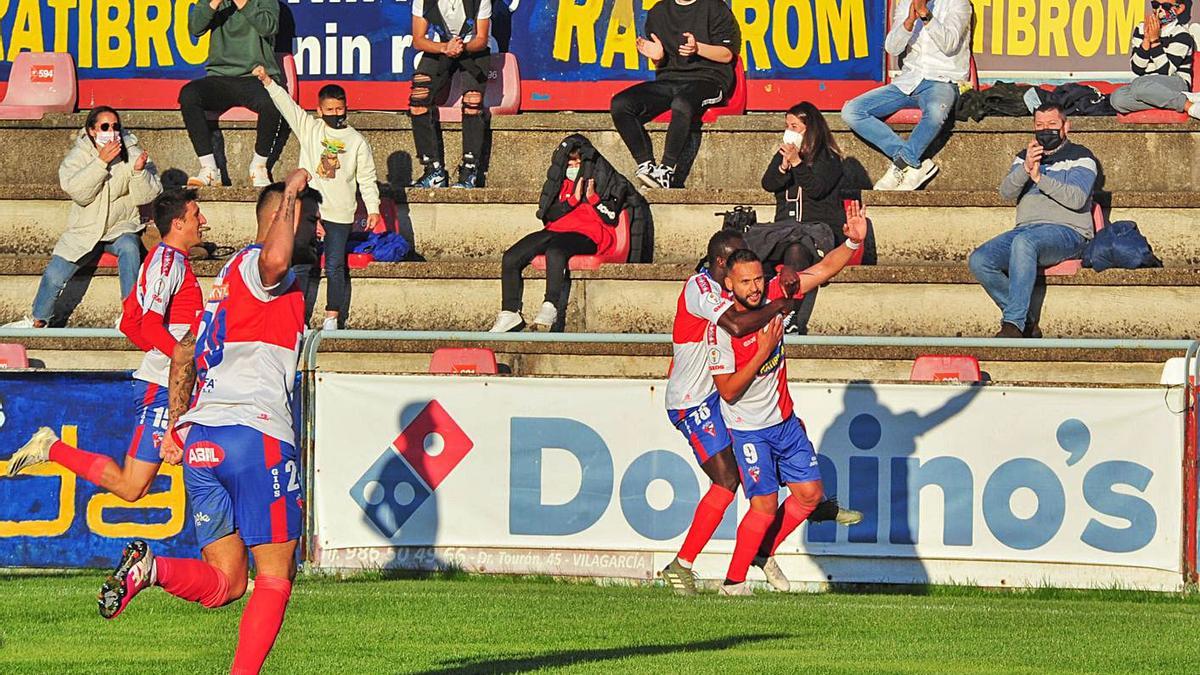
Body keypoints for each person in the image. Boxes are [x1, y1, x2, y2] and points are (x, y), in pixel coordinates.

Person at [96, 172, 309, 674]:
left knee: (228, 582)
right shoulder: (261, 268)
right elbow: (277, 257)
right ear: (287, 218)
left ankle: (152, 569)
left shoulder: (224, 279)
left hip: (203, 442)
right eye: (309, 222)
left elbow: (185, 352)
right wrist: (293, 192)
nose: (314, 233)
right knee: (275, 577)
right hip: (255, 435)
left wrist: (174, 425)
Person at [658, 226, 865, 596]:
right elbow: (737, 326)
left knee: (765, 488)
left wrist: (850, 243)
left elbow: (817, 273)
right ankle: (683, 565)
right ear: (723, 264)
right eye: (739, 259)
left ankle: (799, 509)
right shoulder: (701, 290)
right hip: (695, 399)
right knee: (728, 482)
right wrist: (782, 306)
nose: (751, 275)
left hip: (728, 400)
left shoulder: (748, 288)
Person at [3, 189, 206, 502]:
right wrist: (178, 359)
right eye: (195, 215)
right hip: (164, 385)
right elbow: (150, 325)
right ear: (178, 224)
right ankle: (50, 447)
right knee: (132, 487)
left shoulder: (171, 261)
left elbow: (130, 323)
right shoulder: (167, 263)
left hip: (174, 380)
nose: (203, 221)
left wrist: (170, 358)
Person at [5, 106, 160, 329]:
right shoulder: (78, 156)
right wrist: (101, 163)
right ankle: (40, 318)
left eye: (115, 126)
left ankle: (132, 314)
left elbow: (148, 195)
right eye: (104, 126)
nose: (111, 131)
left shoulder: (134, 152)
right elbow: (79, 193)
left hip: (120, 226)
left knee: (129, 248)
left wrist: (138, 172)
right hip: (85, 231)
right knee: (55, 274)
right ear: (92, 130)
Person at [253, 66, 381, 330]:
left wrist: (373, 209)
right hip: (308, 211)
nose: (335, 114)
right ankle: (296, 316)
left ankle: (332, 317)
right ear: (319, 110)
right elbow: (287, 105)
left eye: (340, 109)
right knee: (300, 265)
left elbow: (366, 178)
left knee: (335, 265)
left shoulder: (356, 141)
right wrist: (267, 81)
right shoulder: (310, 129)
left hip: (341, 213)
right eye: (330, 110)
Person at [968, 103, 1098, 339]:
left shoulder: (1082, 156)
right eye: (1040, 125)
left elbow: (1077, 198)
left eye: (1052, 124)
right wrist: (1026, 168)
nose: (1045, 129)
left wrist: (1039, 179)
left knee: (1024, 243)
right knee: (980, 259)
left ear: (1065, 126)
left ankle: (1013, 324)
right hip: (1026, 229)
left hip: (1068, 232)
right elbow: (1006, 192)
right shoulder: (1024, 157)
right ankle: (1026, 320)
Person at [490, 135, 630, 332]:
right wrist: (573, 200)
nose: (574, 166)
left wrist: (593, 199)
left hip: (588, 235)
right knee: (511, 257)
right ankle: (509, 312)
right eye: (570, 161)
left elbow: (611, 217)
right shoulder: (560, 186)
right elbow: (549, 214)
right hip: (555, 230)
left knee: (555, 252)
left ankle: (550, 306)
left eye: (578, 161)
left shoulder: (600, 183)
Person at [841, 0, 970, 191]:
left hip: (944, 78)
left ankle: (902, 164)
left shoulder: (958, 3)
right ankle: (910, 163)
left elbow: (949, 44)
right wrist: (909, 21)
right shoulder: (906, 4)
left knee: (935, 114)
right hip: (910, 79)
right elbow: (892, 48)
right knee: (852, 111)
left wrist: (926, 15)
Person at [610, 0, 738, 189]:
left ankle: (666, 170)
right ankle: (646, 165)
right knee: (620, 104)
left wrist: (697, 48)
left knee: (682, 103)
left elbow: (727, 54)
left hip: (710, 80)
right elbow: (661, 65)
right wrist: (658, 57)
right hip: (669, 81)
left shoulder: (714, 7)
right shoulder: (658, 12)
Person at [749, 102, 849, 335]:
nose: (790, 130)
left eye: (795, 126)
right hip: (785, 228)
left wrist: (797, 163)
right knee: (758, 253)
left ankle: (791, 313)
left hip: (816, 231)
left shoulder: (829, 158)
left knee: (797, 250)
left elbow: (817, 189)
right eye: (787, 126)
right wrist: (783, 167)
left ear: (810, 127)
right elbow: (768, 184)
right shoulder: (784, 154)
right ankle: (757, 311)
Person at [180, 0, 287, 188]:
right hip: (220, 77)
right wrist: (214, 3)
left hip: (255, 76)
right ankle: (209, 169)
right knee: (189, 95)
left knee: (273, 99)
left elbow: (269, 27)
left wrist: (242, 3)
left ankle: (259, 165)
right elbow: (195, 28)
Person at [408, 0, 494, 189]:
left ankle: (469, 171)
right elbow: (418, 40)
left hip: (472, 50)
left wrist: (458, 48)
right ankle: (433, 170)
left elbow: (481, 39)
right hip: (440, 47)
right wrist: (445, 48)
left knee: (473, 100)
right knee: (418, 97)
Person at [1110, 1, 1199, 118]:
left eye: (1166, 6)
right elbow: (1137, 68)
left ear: (1179, 8)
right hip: (1147, 86)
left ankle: (1190, 107)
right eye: (1156, 5)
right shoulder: (1141, 28)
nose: (1159, 9)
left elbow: (1166, 71)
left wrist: (1155, 41)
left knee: (1139, 84)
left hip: (1175, 82)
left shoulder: (1182, 35)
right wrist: (1146, 40)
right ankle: (1175, 98)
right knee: (1117, 99)